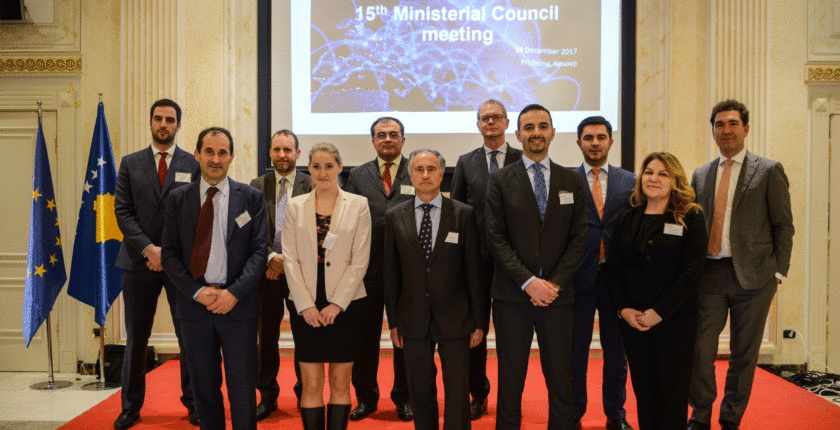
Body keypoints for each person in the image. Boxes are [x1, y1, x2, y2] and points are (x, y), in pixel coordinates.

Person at [688, 100, 794, 430]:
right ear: (713, 132)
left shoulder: (769, 170)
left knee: (743, 354)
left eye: (733, 123)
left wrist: (778, 272)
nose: (726, 130)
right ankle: (700, 415)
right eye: (720, 125)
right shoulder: (701, 174)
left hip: (756, 278)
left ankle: (730, 418)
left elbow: (783, 225)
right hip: (709, 274)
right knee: (699, 350)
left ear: (746, 129)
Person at [485, 103, 588, 430]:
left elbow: (579, 238)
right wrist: (529, 282)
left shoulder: (572, 180)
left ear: (553, 132)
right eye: (529, 127)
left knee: (560, 376)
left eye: (543, 126)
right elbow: (495, 237)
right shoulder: (500, 180)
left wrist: (553, 284)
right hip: (512, 296)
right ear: (517, 135)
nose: (536, 133)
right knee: (510, 376)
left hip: (558, 297)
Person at [161, 127, 267, 430]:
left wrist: (234, 293)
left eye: (223, 152)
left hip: (238, 308)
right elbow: (169, 255)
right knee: (204, 390)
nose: (216, 159)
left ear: (232, 156)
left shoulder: (252, 198)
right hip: (195, 308)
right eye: (209, 151)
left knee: (243, 390)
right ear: (197, 154)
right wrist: (196, 292)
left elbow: (259, 252)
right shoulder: (177, 199)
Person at [113, 98, 200, 429]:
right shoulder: (130, 163)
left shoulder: (193, 164)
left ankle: (194, 403)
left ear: (178, 125)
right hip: (138, 263)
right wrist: (149, 249)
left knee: (188, 337)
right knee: (136, 339)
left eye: (170, 120)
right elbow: (123, 212)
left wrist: (168, 254)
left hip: (180, 267)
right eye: (158, 119)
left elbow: (195, 215)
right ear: (150, 123)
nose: (164, 124)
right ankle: (130, 406)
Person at [384, 149, 485, 430]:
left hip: (456, 318)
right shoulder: (395, 216)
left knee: (457, 389)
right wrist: (393, 322)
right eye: (419, 169)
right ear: (410, 175)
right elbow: (391, 274)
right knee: (419, 387)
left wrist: (479, 322)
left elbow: (474, 273)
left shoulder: (463, 214)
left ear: (442, 175)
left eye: (431, 169)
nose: (425, 175)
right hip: (412, 317)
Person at [608, 152, 707, 430]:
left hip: (675, 320)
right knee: (644, 391)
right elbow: (614, 270)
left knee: (672, 393)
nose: (654, 178)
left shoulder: (689, 216)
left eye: (663, 174)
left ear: (675, 181)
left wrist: (659, 312)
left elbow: (692, 272)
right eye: (649, 172)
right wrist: (624, 310)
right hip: (634, 321)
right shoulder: (627, 218)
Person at [283, 143, 372, 430]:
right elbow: (289, 259)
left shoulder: (358, 205)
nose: (323, 173)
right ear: (308, 168)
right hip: (305, 303)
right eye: (316, 167)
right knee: (310, 383)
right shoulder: (295, 205)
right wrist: (305, 306)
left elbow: (360, 260)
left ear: (339, 167)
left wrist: (337, 304)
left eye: (329, 166)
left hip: (347, 304)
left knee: (340, 381)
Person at [450, 99, 522, 420]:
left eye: (496, 117)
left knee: (511, 333)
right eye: (484, 118)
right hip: (474, 260)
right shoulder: (466, 162)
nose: (490, 122)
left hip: (513, 260)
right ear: (478, 124)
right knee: (474, 331)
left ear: (507, 123)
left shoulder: (523, 159)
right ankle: (477, 393)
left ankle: (510, 398)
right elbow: (455, 211)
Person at [344, 117, 414, 421]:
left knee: (406, 337)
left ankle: (405, 397)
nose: (387, 139)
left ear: (403, 140)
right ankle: (366, 397)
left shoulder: (417, 169)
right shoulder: (358, 175)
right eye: (381, 134)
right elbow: (347, 219)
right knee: (364, 338)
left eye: (393, 134)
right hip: (367, 270)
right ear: (373, 140)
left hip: (407, 270)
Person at [570, 116, 635, 430]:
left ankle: (616, 415)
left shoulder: (630, 181)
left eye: (600, 137)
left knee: (616, 354)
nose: (594, 143)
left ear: (611, 141)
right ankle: (573, 415)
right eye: (588, 138)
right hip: (577, 279)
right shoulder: (565, 180)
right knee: (575, 355)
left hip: (617, 282)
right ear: (578, 142)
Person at [249, 129, 311, 420]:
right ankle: (267, 395)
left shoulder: (312, 184)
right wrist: (271, 259)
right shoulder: (257, 185)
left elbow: (316, 230)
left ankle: (306, 394)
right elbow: (252, 229)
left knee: (305, 337)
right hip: (267, 274)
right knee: (266, 339)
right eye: (277, 150)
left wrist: (287, 263)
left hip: (302, 275)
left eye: (287, 150)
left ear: (297, 153)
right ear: (270, 153)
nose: (282, 155)